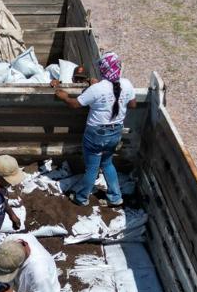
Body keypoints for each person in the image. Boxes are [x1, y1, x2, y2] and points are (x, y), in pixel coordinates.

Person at [51, 51, 137, 207]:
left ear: (103, 69)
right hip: (115, 131)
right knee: (107, 163)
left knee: (92, 167)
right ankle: (115, 197)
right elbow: (132, 104)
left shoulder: (98, 89)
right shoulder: (127, 84)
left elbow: (75, 104)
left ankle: (82, 198)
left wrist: (62, 96)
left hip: (96, 134)